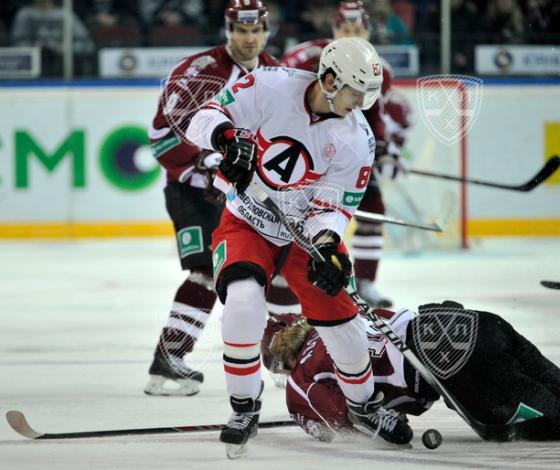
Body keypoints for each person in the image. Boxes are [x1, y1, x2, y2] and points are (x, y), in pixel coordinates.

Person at [183, 37, 413, 452]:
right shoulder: (270, 85)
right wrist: (226, 138)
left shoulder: (357, 139)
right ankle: (244, 404)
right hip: (247, 221)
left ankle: (363, 405)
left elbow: (333, 208)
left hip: (304, 236)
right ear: (328, 79)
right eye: (354, 92)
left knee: (344, 324)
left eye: (367, 95)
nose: (360, 102)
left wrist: (326, 246)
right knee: (243, 301)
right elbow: (204, 117)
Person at [145, 0, 282, 397]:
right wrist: (204, 161)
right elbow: (162, 139)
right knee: (205, 271)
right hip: (194, 191)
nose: (249, 38)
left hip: (243, 197)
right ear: (228, 31)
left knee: (271, 273)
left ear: (266, 32)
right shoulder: (199, 72)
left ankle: (283, 360)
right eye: (241, 31)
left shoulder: (276, 73)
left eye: (256, 31)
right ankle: (169, 362)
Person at [263, 302, 560, 443]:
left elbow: (339, 422)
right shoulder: (346, 313)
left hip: (450, 364)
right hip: (475, 323)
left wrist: (384, 425)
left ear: (280, 360)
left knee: (553, 419)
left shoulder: (301, 378)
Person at [281, 1, 410, 309]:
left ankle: (366, 282)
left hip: (349, 153)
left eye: (357, 29)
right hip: (301, 148)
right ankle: (281, 282)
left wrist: (384, 149)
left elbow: (375, 117)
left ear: (367, 31)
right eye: (345, 28)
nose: (351, 33)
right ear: (335, 29)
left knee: (373, 205)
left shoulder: (381, 71)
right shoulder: (308, 56)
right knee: (290, 213)